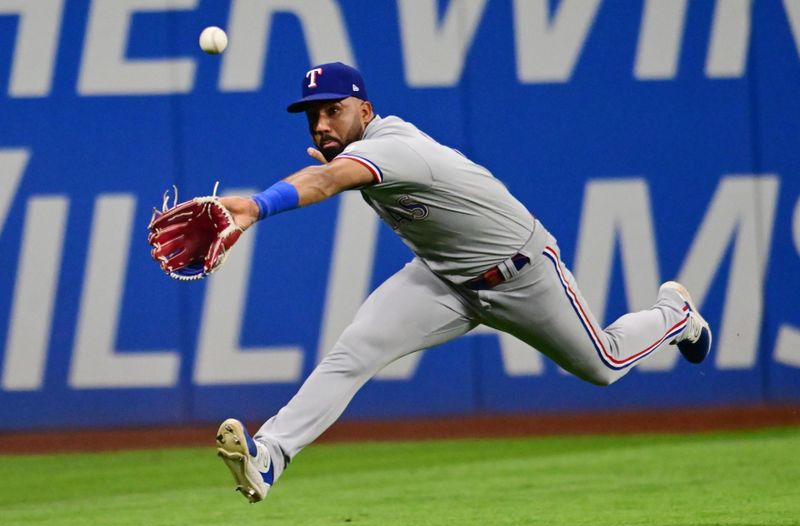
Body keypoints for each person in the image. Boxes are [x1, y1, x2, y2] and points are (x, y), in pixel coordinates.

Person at [213, 62, 712, 503]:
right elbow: (328, 174)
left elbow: (325, 181)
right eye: (312, 114)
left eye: (333, 110)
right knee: (354, 353)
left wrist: (256, 206)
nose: (321, 124)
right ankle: (271, 455)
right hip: (443, 280)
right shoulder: (359, 150)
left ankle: (676, 314)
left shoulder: (395, 149)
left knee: (604, 364)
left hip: (522, 274)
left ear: (365, 110)